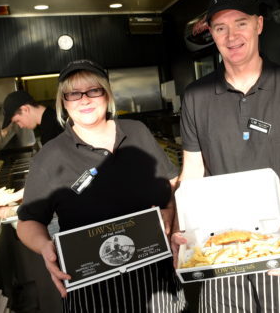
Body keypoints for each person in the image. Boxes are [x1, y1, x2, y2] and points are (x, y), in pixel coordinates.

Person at [174, 0, 280, 312]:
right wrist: (181, 230)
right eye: (220, 27)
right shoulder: (196, 96)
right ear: (211, 34)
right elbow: (192, 172)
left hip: (279, 230)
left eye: (240, 23)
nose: (231, 36)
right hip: (217, 234)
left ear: (258, 24)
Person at [16, 59, 186, 312]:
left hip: (157, 276)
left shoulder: (137, 132)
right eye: (73, 93)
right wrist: (45, 247)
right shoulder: (51, 156)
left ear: (107, 94)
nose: (84, 100)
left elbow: (169, 187)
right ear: (63, 102)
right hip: (92, 288)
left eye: (93, 90)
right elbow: (28, 221)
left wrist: (170, 217)